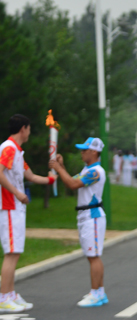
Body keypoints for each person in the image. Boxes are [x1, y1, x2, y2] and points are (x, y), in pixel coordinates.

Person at [0, 114, 56, 312]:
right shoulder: (8, 148)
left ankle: (10, 293)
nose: (30, 132)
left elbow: (30, 176)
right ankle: (3, 297)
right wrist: (17, 193)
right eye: (29, 129)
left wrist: (51, 179)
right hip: (9, 206)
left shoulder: (17, 152)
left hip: (16, 207)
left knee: (15, 253)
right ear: (23, 128)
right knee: (11, 253)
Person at [49, 137, 109, 307]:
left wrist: (59, 168)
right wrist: (62, 168)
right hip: (85, 216)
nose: (82, 152)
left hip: (93, 216)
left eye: (85, 149)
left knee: (94, 256)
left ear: (95, 152)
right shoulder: (86, 170)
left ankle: (96, 293)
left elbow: (73, 184)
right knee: (92, 256)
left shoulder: (96, 171)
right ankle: (100, 292)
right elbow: (70, 181)